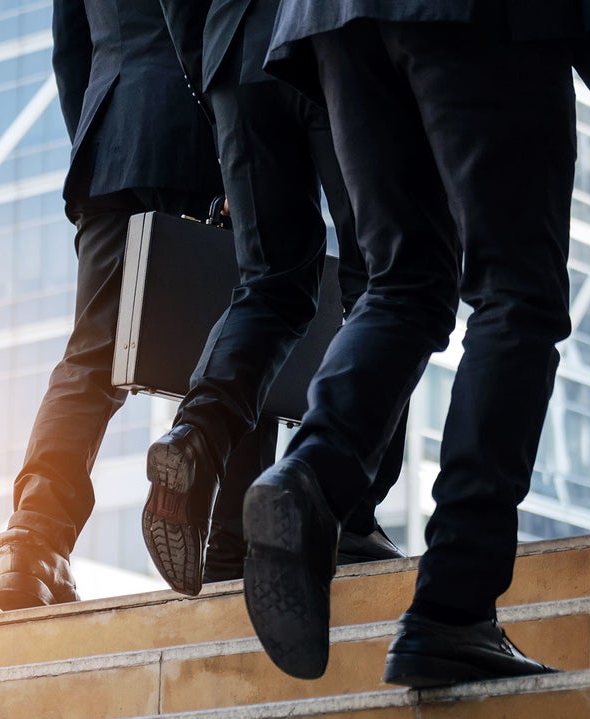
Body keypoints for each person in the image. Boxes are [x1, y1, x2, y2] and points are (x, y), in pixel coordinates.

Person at [237, 1, 590, 680]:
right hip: (478, 20)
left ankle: (311, 472)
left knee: (403, 282)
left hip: (339, 23)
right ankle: (454, 605)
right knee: (516, 294)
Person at [143, 0, 411, 598]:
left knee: (269, 283)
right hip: (335, 44)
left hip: (235, 56)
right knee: (381, 278)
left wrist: (214, 81)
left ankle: (195, 436)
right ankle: (347, 506)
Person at [0, 0, 234, 610]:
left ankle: (34, 537)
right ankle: (236, 546)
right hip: (200, 139)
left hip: (109, 142)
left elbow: (70, 50)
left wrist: (105, 136)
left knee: (92, 355)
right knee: (238, 337)